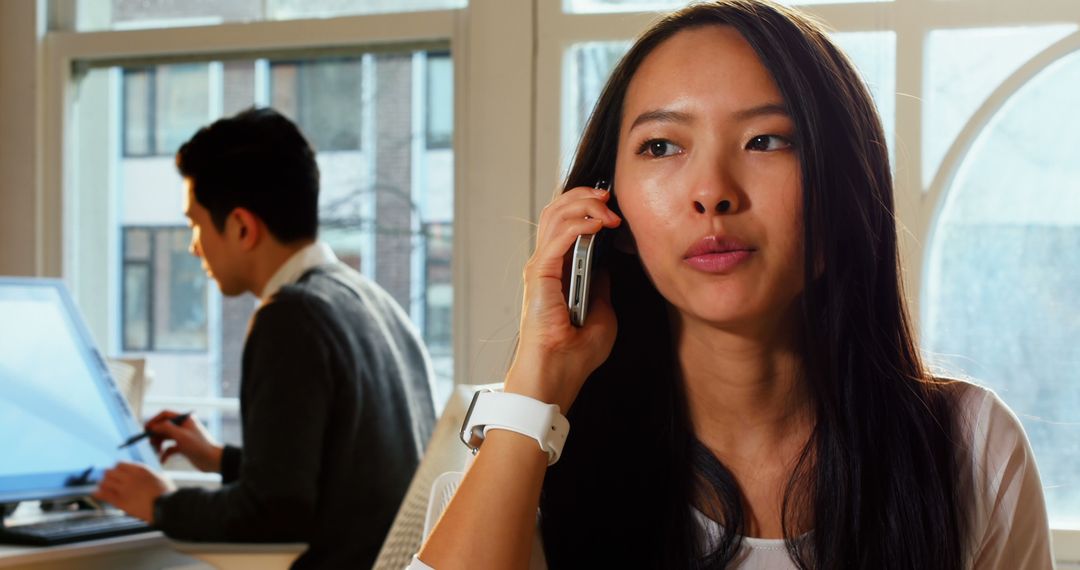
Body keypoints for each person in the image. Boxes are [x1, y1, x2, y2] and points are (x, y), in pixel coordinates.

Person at [414, 1, 1053, 568]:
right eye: (662, 147)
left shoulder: (969, 452)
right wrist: (538, 380)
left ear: (844, 192)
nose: (713, 192)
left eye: (766, 140)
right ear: (613, 213)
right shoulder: (522, 462)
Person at [93, 107, 437, 569]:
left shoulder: (291, 317)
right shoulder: (371, 300)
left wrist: (159, 502)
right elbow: (340, 480)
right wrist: (218, 458)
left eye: (195, 224)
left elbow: (273, 515)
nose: (194, 245)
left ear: (241, 227)